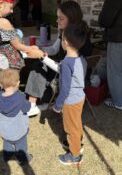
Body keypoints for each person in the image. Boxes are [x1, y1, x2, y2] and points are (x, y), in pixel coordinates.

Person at [25, 0, 93, 116]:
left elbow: (65, 69)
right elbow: (55, 49)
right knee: (38, 65)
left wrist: (41, 55)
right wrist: (40, 50)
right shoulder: (65, 32)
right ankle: (33, 103)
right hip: (62, 67)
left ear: (72, 19)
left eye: (61, 18)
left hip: (71, 77)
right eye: (58, 17)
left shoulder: (78, 38)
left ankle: (38, 103)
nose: (57, 21)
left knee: (40, 65)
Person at [52, 23, 87, 165]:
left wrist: (58, 105)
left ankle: (74, 155)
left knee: (70, 127)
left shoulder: (66, 63)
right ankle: (77, 144)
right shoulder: (81, 58)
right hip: (80, 97)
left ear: (65, 42)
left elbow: (65, 88)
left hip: (71, 101)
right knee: (77, 123)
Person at [0, 69, 33, 165]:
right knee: (21, 144)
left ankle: (7, 156)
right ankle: (23, 159)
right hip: (19, 131)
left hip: (5, 131)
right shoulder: (21, 98)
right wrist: (29, 101)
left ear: (0, 85)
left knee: (7, 142)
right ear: (18, 83)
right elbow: (27, 108)